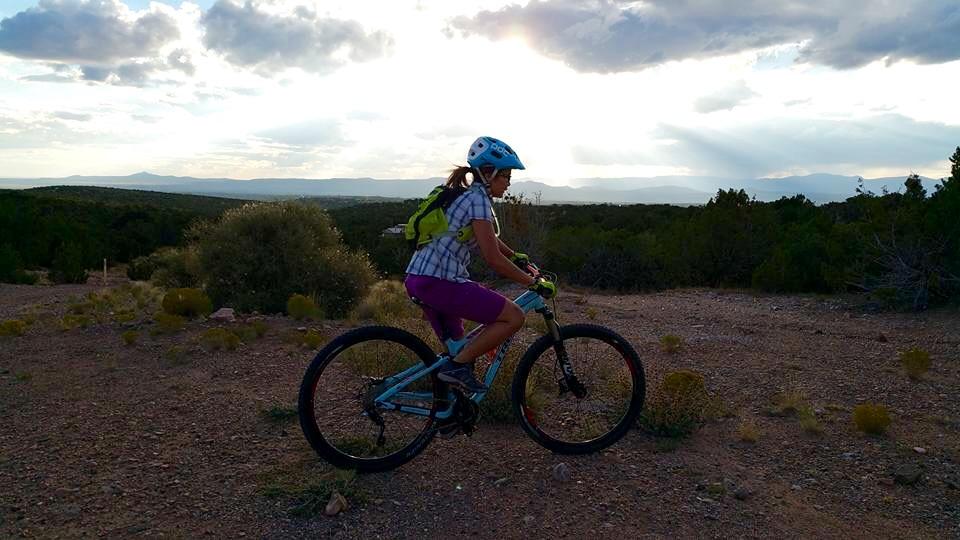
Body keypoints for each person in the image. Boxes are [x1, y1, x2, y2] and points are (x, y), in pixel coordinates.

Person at [404, 136, 557, 394]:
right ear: (489, 173)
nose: (509, 182)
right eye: (505, 176)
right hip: (440, 283)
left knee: (459, 350)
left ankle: (447, 413)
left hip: (421, 279)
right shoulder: (478, 201)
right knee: (513, 317)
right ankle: (456, 370)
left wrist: (515, 255)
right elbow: (492, 258)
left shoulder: (465, 197)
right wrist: (533, 283)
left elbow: (487, 240)